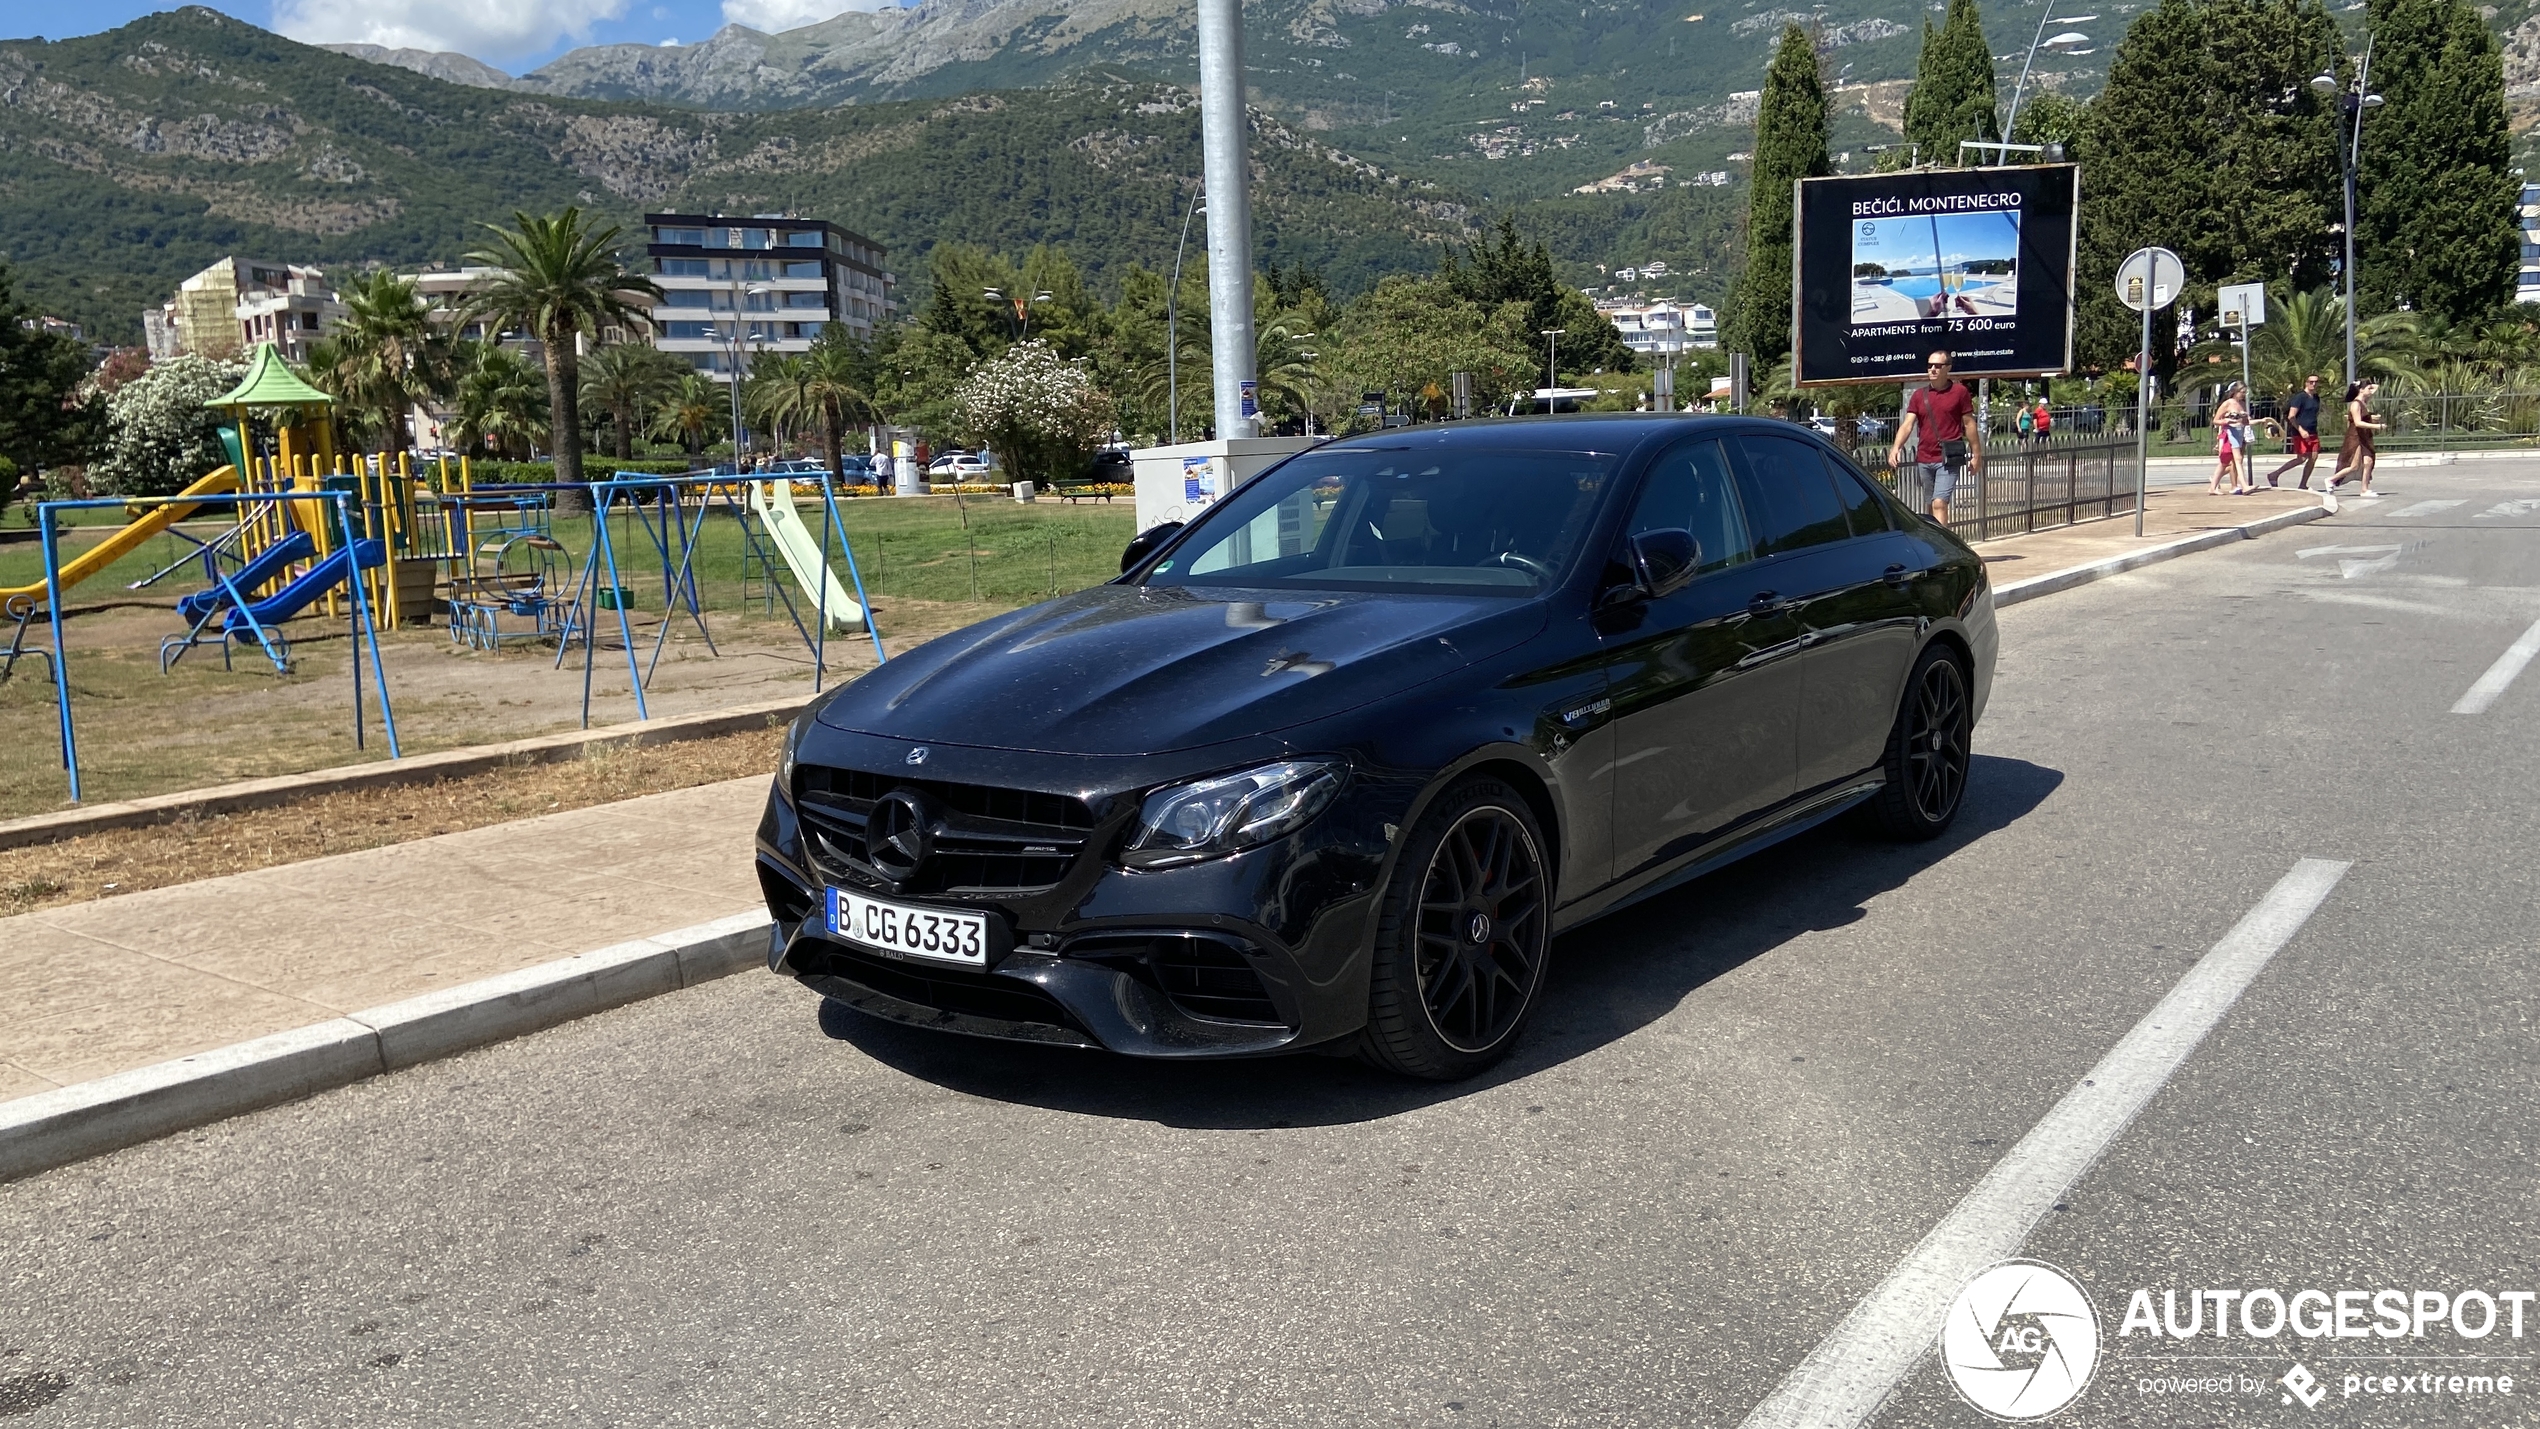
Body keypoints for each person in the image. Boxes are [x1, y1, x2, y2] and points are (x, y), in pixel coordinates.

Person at [1889, 349, 1982, 525]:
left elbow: (1969, 424)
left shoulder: (1959, 392)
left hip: (1947, 458)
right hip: (1924, 457)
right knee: (1931, 505)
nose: (1932, 369)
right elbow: (1908, 424)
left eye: (1938, 366)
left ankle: (1944, 548)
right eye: (1930, 365)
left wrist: (1977, 455)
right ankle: (1934, 543)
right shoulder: (1919, 395)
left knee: (1940, 503)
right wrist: (1896, 447)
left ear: (1948, 368)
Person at [2265, 374, 2326, 489]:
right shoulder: (2299, 397)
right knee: (2301, 458)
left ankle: (2303, 484)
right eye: (2311, 382)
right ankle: (2274, 474)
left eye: (2316, 382)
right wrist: (2301, 429)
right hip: (2300, 432)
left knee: (2313, 458)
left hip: (2312, 431)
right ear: (2306, 383)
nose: (2313, 384)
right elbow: (2291, 416)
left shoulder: (2316, 397)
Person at [2328, 379, 2384, 498]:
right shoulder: (2356, 404)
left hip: (2363, 436)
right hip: (2356, 437)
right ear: (2361, 390)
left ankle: (2364, 489)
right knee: (2354, 466)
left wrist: (2365, 384)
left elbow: (2376, 387)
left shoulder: (2363, 401)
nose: (2371, 390)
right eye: (2368, 388)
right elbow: (2358, 423)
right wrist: (2376, 426)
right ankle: (2331, 479)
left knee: (2368, 462)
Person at [2210, 382, 2252, 495]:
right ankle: (2244, 485)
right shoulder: (2227, 404)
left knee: (2225, 463)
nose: (2243, 395)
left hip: (2239, 433)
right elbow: (2215, 420)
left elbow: (2246, 422)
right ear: (2235, 392)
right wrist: (2226, 421)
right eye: (2242, 392)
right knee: (2237, 459)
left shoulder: (2242, 404)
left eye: (2245, 393)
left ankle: (2213, 487)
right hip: (2229, 433)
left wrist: (2244, 418)